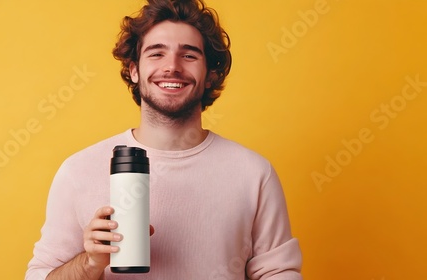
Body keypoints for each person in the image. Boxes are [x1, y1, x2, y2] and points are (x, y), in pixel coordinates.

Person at [25, 0, 302, 279]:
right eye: (156, 54)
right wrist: (90, 262)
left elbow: (279, 273)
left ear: (210, 75)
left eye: (189, 55)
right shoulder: (79, 171)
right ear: (134, 70)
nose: (172, 67)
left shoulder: (253, 173)